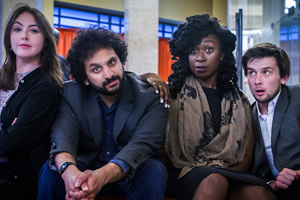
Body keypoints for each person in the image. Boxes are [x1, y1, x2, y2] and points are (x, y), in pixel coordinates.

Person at [37, 27, 168, 200]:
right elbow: (63, 138)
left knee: (154, 170)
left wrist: (101, 176)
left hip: (130, 172)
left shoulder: (151, 96)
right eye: (96, 69)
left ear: (121, 60)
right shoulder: (71, 93)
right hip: (85, 168)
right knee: (50, 171)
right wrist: (69, 172)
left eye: (112, 62)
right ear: (84, 78)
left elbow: (141, 146)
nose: (109, 74)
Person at [163, 14, 274, 200]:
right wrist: (146, 77)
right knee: (215, 181)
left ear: (221, 53)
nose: (199, 58)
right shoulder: (171, 94)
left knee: (258, 193)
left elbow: (246, 158)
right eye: (193, 51)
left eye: (208, 49)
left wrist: (219, 168)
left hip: (230, 172)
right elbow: (130, 86)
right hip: (183, 172)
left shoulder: (240, 101)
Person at [0, 3, 63, 199]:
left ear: (45, 41)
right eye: (17, 29)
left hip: (17, 178)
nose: (24, 35)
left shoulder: (46, 87)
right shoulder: (2, 78)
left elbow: (11, 142)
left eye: (33, 30)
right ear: (10, 41)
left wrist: (7, 132)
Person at [240, 42, 300, 200]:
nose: (257, 81)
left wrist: (298, 173)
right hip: (274, 189)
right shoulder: (248, 114)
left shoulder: (297, 97)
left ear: (284, 77)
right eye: (252, 73)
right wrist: (271, 183)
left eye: (266, 72)